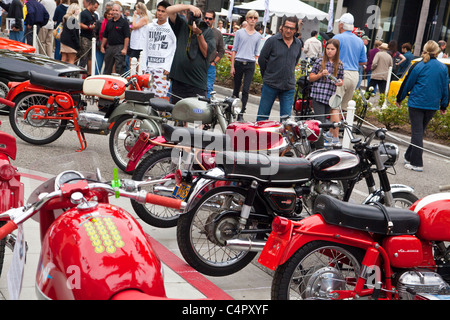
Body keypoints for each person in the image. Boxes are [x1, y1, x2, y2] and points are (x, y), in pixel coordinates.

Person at [396, 40, 449, 172]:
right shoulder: (443, 68)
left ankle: (417, 163)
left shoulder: (418, 65)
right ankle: (409, 156)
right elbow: (445, 88)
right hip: (432, 105)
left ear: (425, 50)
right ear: (437, 52)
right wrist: (444, 105)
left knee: (417, 132)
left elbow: (407, 83)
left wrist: (399, 98)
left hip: (417, 103)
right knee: (419, 132)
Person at [165, 3, 215, 104]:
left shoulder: (207, 31)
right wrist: (189, 6)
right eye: (191, 16)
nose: (193, 21)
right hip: (179, 80)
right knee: (178, 114)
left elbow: (205, 53)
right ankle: (180, 121)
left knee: (198, 116)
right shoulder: (182, 25)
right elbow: (169, 10)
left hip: (196, 83)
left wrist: (199, 34)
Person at [256, 16, 302, 121]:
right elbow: (262, 60)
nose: (288, 30)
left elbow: (295, 61)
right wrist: (267, 75)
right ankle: (259, 137)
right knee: (262, 117)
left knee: (286, 121)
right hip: (270, 84)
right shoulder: (272, 41)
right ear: (282, 27)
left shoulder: (298, 44)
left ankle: (283, 138)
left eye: (291, 28)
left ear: (296, 30)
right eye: (286, 27)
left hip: (288, 87)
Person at [331, 13, 367, 146]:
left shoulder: (337, 38)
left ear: (341, 24)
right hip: (354, 75)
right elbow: (363, 62)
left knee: (334, 106)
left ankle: (333, 138)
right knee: (344, 108)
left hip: (341, 73)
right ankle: (331, 133)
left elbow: (330, 55)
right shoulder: (359, 41)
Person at [309, 38, 344, 148]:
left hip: (330, 97)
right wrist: (320, 75)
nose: (329, 51)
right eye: (328, 48)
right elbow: (311, 77)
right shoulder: (320, 62)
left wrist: (339, 82)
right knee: (320, 122)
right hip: (318, 95)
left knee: (328, 120)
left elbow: (341, 79)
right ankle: (319, 146)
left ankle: (325, 140)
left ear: (337, 50)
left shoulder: (340, 64)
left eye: (332, 49)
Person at [141, 0, 176, 98]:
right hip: (149, 67)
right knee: (146, 97)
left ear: (168, 13)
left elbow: (175, 48)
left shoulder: (171, 28)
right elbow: (145, 47)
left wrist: (168, 67)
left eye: (163, 11)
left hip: (162, 69)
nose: (160, 13)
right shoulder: (149, 27)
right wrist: (144, 66)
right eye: (158, 10)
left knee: (160, 98)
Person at [230, 10, 261, 121]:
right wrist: (232, 66)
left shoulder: (258, 36)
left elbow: (256, 52)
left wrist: (255, 63)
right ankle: (232, 109)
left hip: (250, 64)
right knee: (236, 89)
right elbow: (234, 50)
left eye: (255, 18)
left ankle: (241, 113)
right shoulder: (239, 33)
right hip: (238, 62)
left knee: (246, 89)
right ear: (247, 19)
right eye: (251, 17)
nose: (253, 19)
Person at [101, 3, 130, 75]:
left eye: (116, 10)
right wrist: (102, 46)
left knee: (119, 68)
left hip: (120, 47)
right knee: (107, 67)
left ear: (120, 12)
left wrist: (125, 48)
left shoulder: (124, 22)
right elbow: (105, 35)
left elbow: (127, 37)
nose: (114, 12)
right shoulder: (109, 22)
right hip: (109, 47)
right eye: (113, 10)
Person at [204, 9, 224, 99]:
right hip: (198, 66)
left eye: (210, 18)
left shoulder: (217, 33)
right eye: (206, 18)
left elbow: (221, 50)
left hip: (210, 66)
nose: (207, 20)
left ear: (213, 20)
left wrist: (214, 63)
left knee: (208, 89)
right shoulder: (198, 30)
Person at [78, 0, 98, 74]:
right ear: (91, 4)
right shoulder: (84, 13)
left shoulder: (95, 15)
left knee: (91, 57)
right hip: (85, 37)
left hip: (92, 38)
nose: (95, 9)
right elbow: (79, 24)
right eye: (95, 7)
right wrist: (89, 27)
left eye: (97, 8)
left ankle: (89, 74)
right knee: (83, 57)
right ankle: (79, 73)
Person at [128, 2, 150, 70]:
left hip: (139, 43)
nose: (135, 10)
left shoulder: (144, 18)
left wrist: (134, 17)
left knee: (136, 61)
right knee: (131, 60)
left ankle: (136, 75)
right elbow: (132, 25)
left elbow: (134, 26)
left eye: (136, 9)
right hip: (134, 42)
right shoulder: (138, 18)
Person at [93, 7, 113, 74]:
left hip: (109, 47)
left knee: (107, 67)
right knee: (98, 65)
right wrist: (98, 43)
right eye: (108, 14)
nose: (110, 16)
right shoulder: (100, 22)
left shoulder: (114, 23)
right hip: (99, 46)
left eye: (111, 14)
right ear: (106, 14)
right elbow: (94, 33)